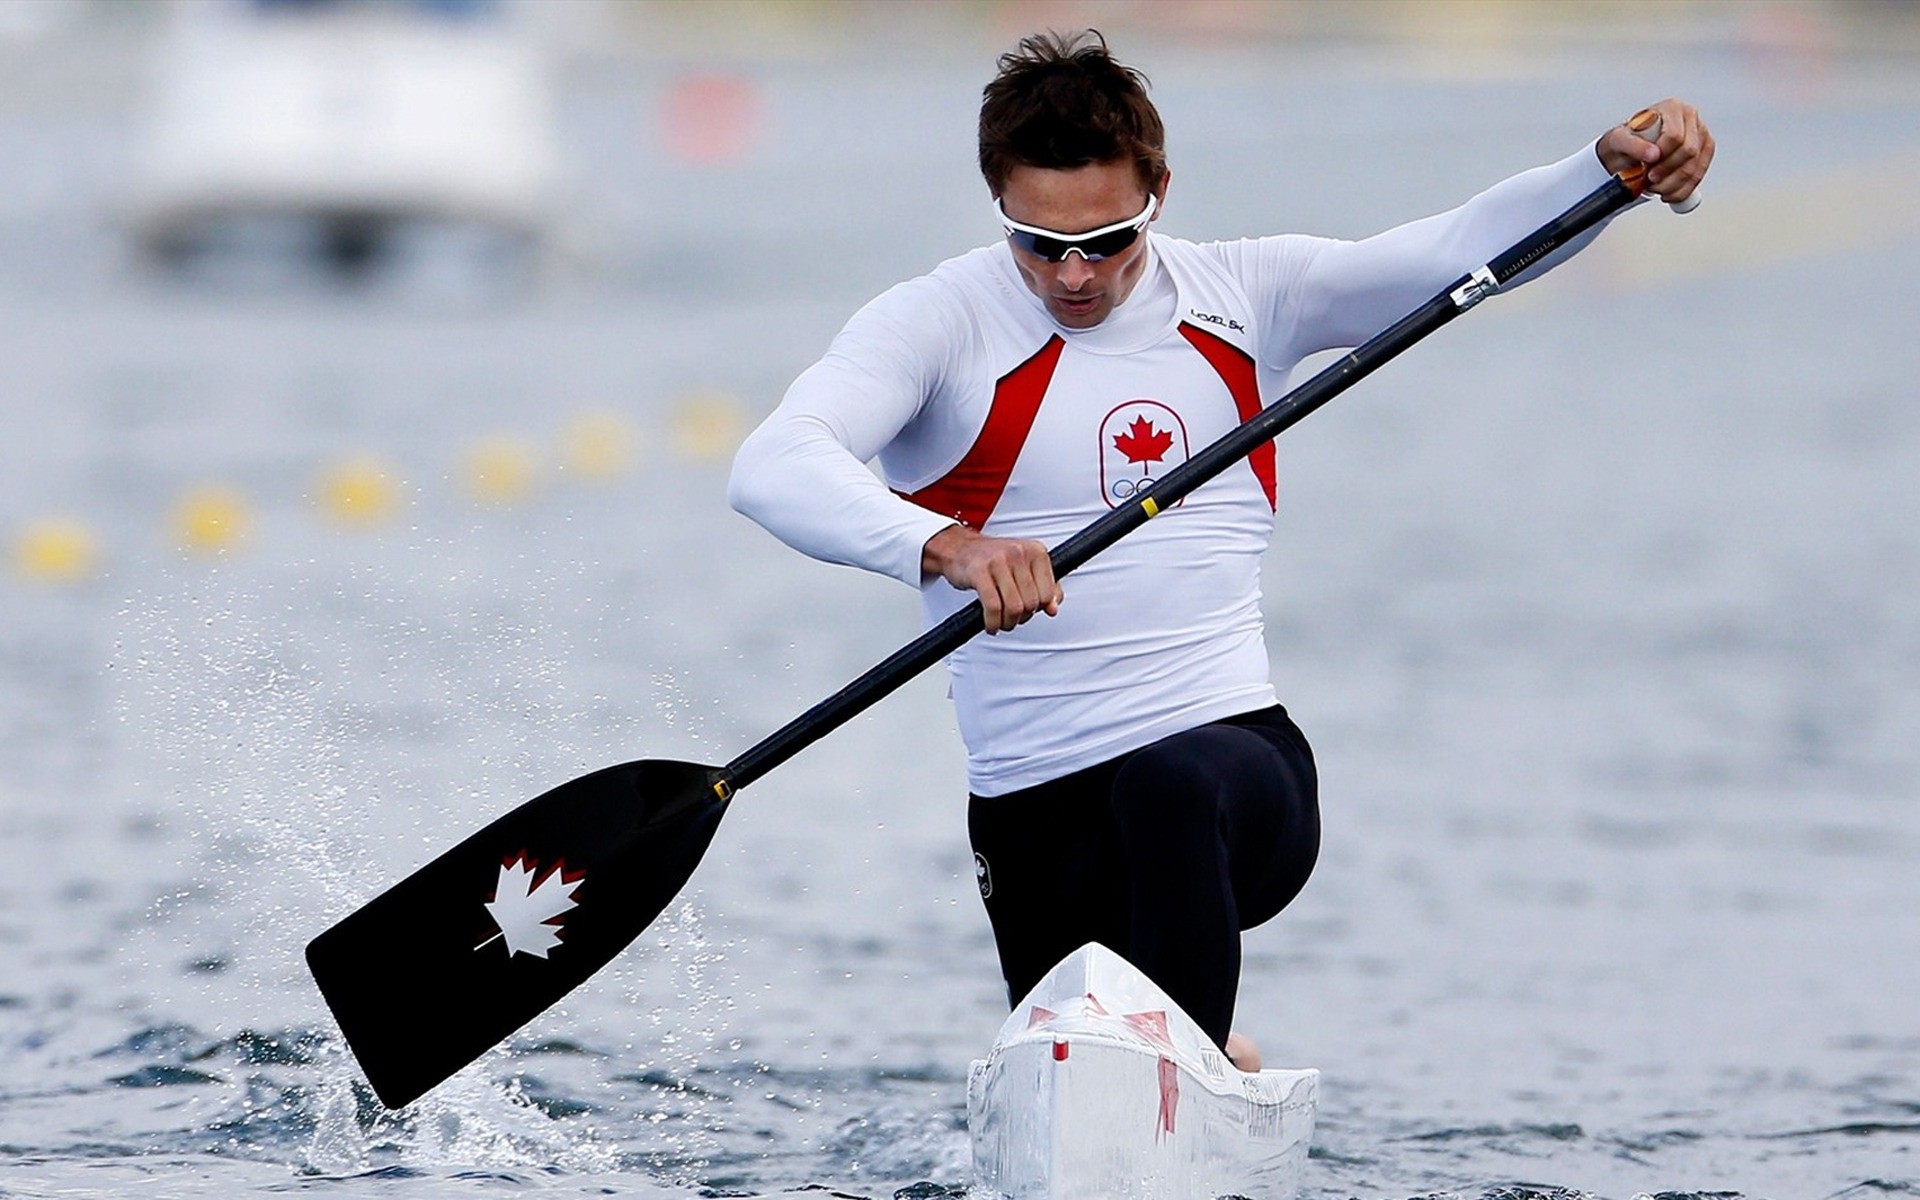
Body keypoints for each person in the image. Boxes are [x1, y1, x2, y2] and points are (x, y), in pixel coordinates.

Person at [728, 30, 1712, 1071]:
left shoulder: (1246, 296)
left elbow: (1459, 251)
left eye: (1107, 240)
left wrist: (1601, 173)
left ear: (1158, 192)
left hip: (1237, 778)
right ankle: (1206, 1058)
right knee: (1072, 1067)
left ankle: (1181, 1062)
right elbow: (775, 463)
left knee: (1167, 790)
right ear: (998, 205)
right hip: (1035, 818)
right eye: (1037, 241)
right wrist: (944, 544)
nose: (1072, 275)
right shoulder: (938, 324)